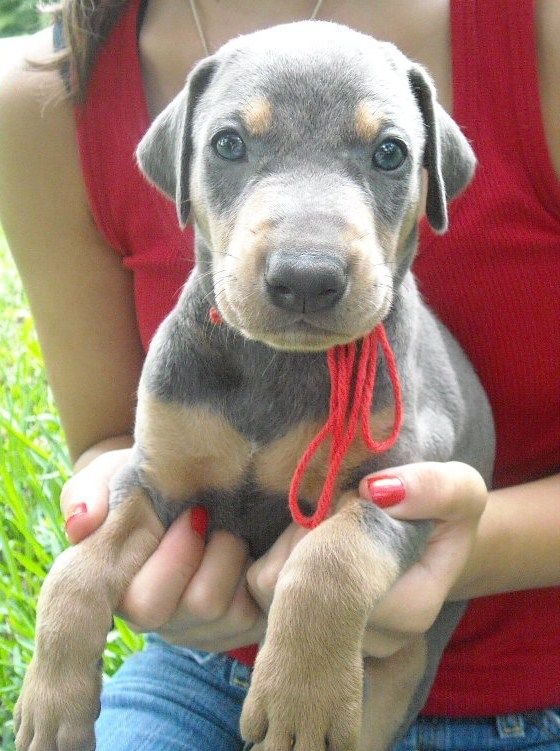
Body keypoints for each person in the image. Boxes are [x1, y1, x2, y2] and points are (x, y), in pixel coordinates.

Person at [0, 0, 559, 749]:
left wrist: (332, 583)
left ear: (433, 179)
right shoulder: (50, 90)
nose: (305, 263)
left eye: (386, 155)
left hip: (498, 690)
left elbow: (398, 500)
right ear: (182, 174)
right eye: (232, 145)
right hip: (208, 674)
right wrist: (88, 570)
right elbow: (130, 470)